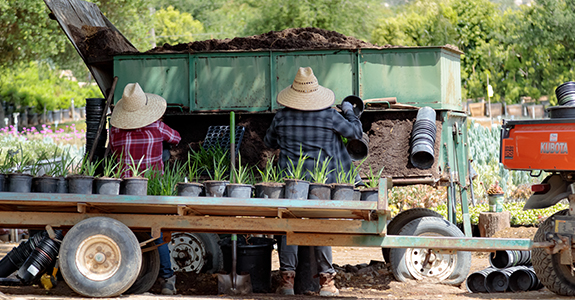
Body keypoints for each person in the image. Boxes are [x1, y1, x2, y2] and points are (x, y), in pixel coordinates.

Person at [264, 67, 363, 296]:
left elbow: (269, 142)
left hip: (292, 183)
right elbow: (354, 133)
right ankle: (327, 283)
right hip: (322, 183)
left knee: (288, 227)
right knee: (320, 227)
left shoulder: (281, 117)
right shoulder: (329, 115)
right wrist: (349, 111)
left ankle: (287, 282)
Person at [109, 82, 181, 295]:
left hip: (125, 192)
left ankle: (125, 277)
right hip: (152, 191)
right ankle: (167, 280)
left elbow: (113, 153)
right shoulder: (157, 126)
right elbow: (177, 138)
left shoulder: (116, 131)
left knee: (125, 233)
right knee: (157, 233)